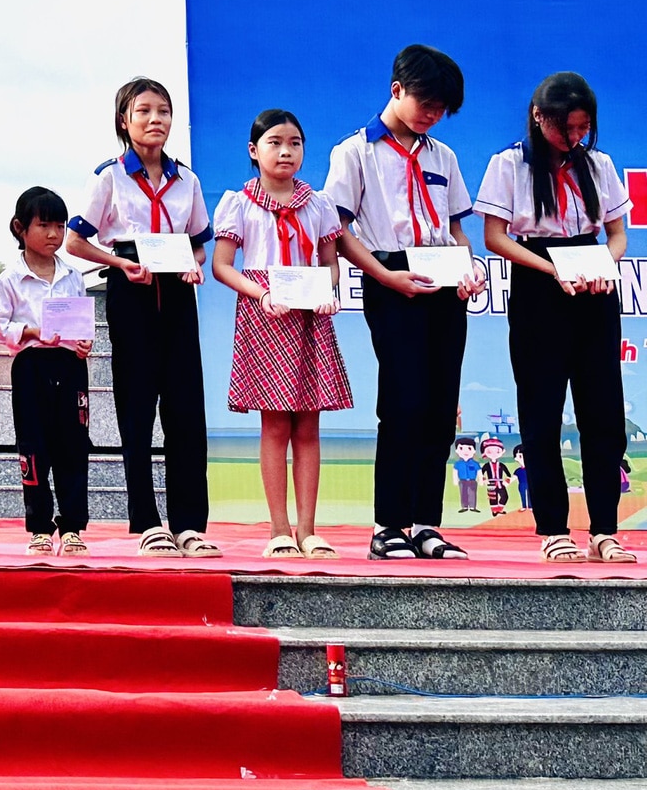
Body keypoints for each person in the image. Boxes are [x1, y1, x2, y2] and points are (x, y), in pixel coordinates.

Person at [325, 44, 489, 561]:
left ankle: (426, 524)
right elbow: (338, 230)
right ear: (397, 90)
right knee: (403, 401)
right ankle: (388, 525)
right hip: (391, 275)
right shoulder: (354, 152)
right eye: (428, 103)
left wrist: (471, 267)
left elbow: (457, 228)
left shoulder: (445, 156)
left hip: (443, 281)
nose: (434, 116)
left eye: (442, 110)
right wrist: (385, 277)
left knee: (441, 406)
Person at [476, 71, 637, 563]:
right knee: (542, 412)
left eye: (583, 127)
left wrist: (602, 265)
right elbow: (495, 237)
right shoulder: (510, 163)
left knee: (604, 411)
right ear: (537, 117)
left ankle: (605, 530)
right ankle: (553, 529)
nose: (575, 138)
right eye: (565, 128)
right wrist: (552, 269)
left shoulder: (600, 164)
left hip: (593, 285)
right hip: (537, 282)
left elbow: (617, 234)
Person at [64, 77, 218, 558]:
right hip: (130, 287)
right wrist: (119, 264)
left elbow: (197, 240)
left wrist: (193, 264)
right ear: (124, 121)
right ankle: (148, 521)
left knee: (186, 410)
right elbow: (75, 241)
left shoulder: (186, 179)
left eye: (164, 112)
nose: (156, 121)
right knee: (136, 410)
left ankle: (190, 523)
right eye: (145, 111)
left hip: (176, 291)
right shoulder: (108, 176)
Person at [210, 109, 352, 560]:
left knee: (309, 424)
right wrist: (262, 293)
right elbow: (222, 265)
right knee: (274, 426)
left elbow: (330, 263)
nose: (286, 151)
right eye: (274, 142)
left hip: (310, 316)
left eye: (294, 142)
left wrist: (328, 291)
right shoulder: (239, 202)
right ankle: (278, 529)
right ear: (254, 151)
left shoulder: (319, 203)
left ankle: (308, 529)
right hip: (265, 316)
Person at [0, 187, 95, 556]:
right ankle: (39, 526)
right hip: (31, 365)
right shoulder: (10, 279)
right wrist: (31, 332)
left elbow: (85, 322)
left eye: (60, 226)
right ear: (21, 228)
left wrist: (84, 343)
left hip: (70, 367)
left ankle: (72, 527)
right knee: (33, 447)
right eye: (44, 225)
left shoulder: (72, 275)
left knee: (73, 446)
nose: (54, 234)